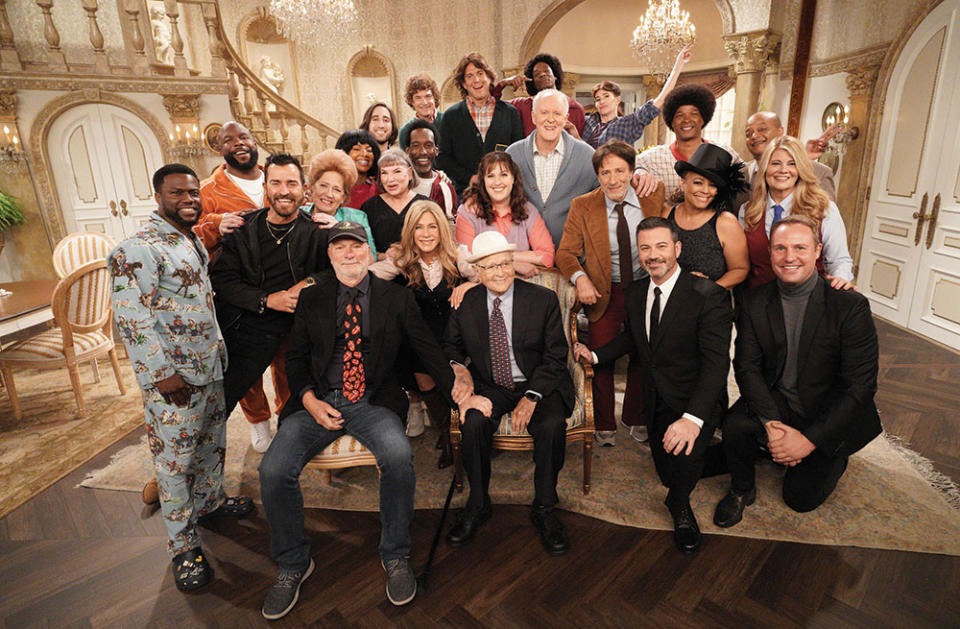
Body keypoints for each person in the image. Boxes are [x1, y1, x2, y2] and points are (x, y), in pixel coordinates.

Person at [257, 221, 468, 618]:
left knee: (398, 457)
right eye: (341, 248)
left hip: (374, 400)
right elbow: (297, 359)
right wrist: (308, 399)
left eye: (356, 246)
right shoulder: (313, 298)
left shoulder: (396, 298)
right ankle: (292, 563)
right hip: (317, 401)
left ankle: (396, 555)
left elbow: (426, 348)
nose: (349, 253)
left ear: (369, 254)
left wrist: (458, 391)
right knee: (273, 469)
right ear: (330, 255)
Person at [108, 164, 252, 591]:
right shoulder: (136, 249)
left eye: (193, 192)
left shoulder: (187, 240)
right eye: (178, 193)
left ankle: (209, 504)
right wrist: (161, 374)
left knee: (211, 444)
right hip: (173, 379)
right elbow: (132, 320)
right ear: (158, 197)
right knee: (174, 463)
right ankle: (183, 545)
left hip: (208, 366)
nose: (188, 199)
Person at [573, 217, 733, 554]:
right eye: (645, 248)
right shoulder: (635, 292)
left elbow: (717, 365)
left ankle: (680, 508)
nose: (653, 255)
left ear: (677, 248)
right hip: (656, 397)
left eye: (661, 246)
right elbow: (633, 337)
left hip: (696, 401)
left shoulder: (709, 296)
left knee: (678, 478)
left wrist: (692, 419)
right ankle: (734, 455)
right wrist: (596, 356)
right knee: (665, 468)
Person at [714, 215, 881, 527]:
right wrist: (771, 424)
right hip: (779, 401)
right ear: (770, 254)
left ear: (818, 251)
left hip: (825, 409)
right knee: (735, 425)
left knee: (800, 500)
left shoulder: (849, 305)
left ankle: (833, 455)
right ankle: (742, 489)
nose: (789, 257)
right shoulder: (753, 301)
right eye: (780, 248)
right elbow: (746, 367)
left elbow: (860, 387)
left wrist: (809, 441)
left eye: (800, 247)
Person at [445, 231, 575, 555]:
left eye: (505, 264)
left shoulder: (542, 299)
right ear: (478, 271)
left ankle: (544, 507)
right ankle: (478, 504)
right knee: (473, 422)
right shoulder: (467, 303)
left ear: (513, 264)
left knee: (551, 425)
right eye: (490, 267)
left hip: (538, 382)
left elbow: (556, 356)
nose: (500, 272)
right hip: (492, 385)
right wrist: (460, 371)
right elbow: (450, 345)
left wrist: (532, 397)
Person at [210, 153, 329, 451]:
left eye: (291, 183)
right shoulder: (243, 228)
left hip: (296, 319)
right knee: (229, 389)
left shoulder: (316, 229)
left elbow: (331, 271)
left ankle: (289, 424)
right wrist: (266, 300)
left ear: (304, 189)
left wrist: (307, 284)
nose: (283, 190)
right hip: (250, 317)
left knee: (294, 375)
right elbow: (223, 281)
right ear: (266, 186)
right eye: (275, 183)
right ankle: (254, 426)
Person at [556, 141, 664, 447]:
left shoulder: (652, 196)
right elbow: (565, 253)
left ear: (632, 171)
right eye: (605, 173)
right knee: (600, 355)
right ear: (598, 176)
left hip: (646, 287)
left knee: (644, 353)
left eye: (620, 171)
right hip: (605, 290)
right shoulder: (583, 205)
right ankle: (603, 421)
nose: (613, 179)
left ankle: (636, 416)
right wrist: (580, 278)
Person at [370, 200, 478, 467]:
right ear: (411, 231)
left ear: (442, 229)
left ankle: (458, 434)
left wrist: (469, 286)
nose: (426, 233)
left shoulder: (457, 255)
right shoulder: (403, 260)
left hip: (454, 336)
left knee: (451, 381)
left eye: (432, 226)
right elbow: (366, 277)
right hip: (419, 339)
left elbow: (488, 275)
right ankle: (446, 434)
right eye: (419, 227)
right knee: (421, 373)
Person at [740, 135, 854, 289]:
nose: (783, 170)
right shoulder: (747, 210)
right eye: (775, 163)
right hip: (757, 302)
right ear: (765, 168)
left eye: (792, 164)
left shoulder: (824, 208)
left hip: (809, 301)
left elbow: (839, 260)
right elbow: (740, 263)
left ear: (800, 169)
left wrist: (840, 281)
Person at [505, 88, 598, 246]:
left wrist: (639, 172)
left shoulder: (588, 156)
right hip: (526, 257)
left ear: (566, 118)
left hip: (574, 257)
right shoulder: (513, 154)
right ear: (533, 117)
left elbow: (606, 198)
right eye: (544, 112)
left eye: (557, 113)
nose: (550, 119)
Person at [634, 83, 742, 207]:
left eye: (694, 114)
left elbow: (748, 177)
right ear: (671, 122)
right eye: (679, 115)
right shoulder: (652, 158)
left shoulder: (725, 153)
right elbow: (631, 167)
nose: (687, 119)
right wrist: (640, 171)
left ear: (703, 119)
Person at [455, 151, 554, 278]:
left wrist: (506, 258)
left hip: (520, 287)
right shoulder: (469, 211)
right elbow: (466, 264)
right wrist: (512, 264)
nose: (497, 182)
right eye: (490, 176)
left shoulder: (528, 210)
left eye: (504, 175)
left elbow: (547, 256)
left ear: (513, 178)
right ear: (483, 181)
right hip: (481, 287)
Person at [437, 52, 523, 196]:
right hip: (466, 195)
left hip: (504, 194)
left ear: (489, 77)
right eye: (469, 76)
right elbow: (442, 158)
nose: (476, 80)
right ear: (463, 84)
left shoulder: (510, 113)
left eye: (480, 73)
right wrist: (469, 178)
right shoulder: (451, 116)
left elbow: (518, 154)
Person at [667, 143, 750, 288]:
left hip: (712, 305)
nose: (706, 190)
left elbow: (740, 269)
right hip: (670, 302)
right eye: (698, 182)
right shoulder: (666, 215)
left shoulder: (725, 222)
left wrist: (708, 289)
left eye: (713, 185)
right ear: (683, 183)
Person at [582, 45, 692, 149]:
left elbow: (660, 101)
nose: (601, 101)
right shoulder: (588, 122)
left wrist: (678, 65)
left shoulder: (627, 124)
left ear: (617, 99)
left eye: (606, 96)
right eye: (598, 99)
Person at [743, 111, 837, 201]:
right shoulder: (740, 174)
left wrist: (801, 160)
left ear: (780, 131)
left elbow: (826, 213)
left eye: (762, 129)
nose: (754, 136)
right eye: (748, 134)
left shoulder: (820, 172)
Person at [491, 52, 586, 137]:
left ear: (555, 76)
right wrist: (502, 84)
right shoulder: (522, 105)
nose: (542, 74)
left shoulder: (575, 108)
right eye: (537, 74)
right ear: (532, 82)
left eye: (547, 71)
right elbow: (490, 105)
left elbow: (582, 146)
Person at [303, 148, 377, 257]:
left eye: (336, 190)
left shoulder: (358, 218)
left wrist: (339, 229)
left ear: (343, 197)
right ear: (312, 188)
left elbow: (371, 259)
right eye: (323, 186)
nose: (329, 194)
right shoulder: (297, 215)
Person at [361, 149, 430, 254]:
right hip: (382, 267)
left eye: (397, 171)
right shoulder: (370, 207)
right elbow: (362, 246)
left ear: (410, 173)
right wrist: (382, 257)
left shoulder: (426, 204)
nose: (390, 179)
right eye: (384, 173)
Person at [402, 119, 457, 219]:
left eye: (428, 145)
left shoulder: (445, 188)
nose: (422, 151)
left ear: (436, 150)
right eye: (416, 146)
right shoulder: (399, 185)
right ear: (407, 150)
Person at [335, 129, 381, 210]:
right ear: (344, 153)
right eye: (357, 149)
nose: (364, 154)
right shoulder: (335, 186)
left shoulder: (380, 186)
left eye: (369, 150)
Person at [398, 73, 444, 150]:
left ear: (435, 98)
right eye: (418, 98)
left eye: (428, 96)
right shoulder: (405, 131)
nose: (424, 102)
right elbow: (406, 161)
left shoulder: (449, 121)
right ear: (412, 102)